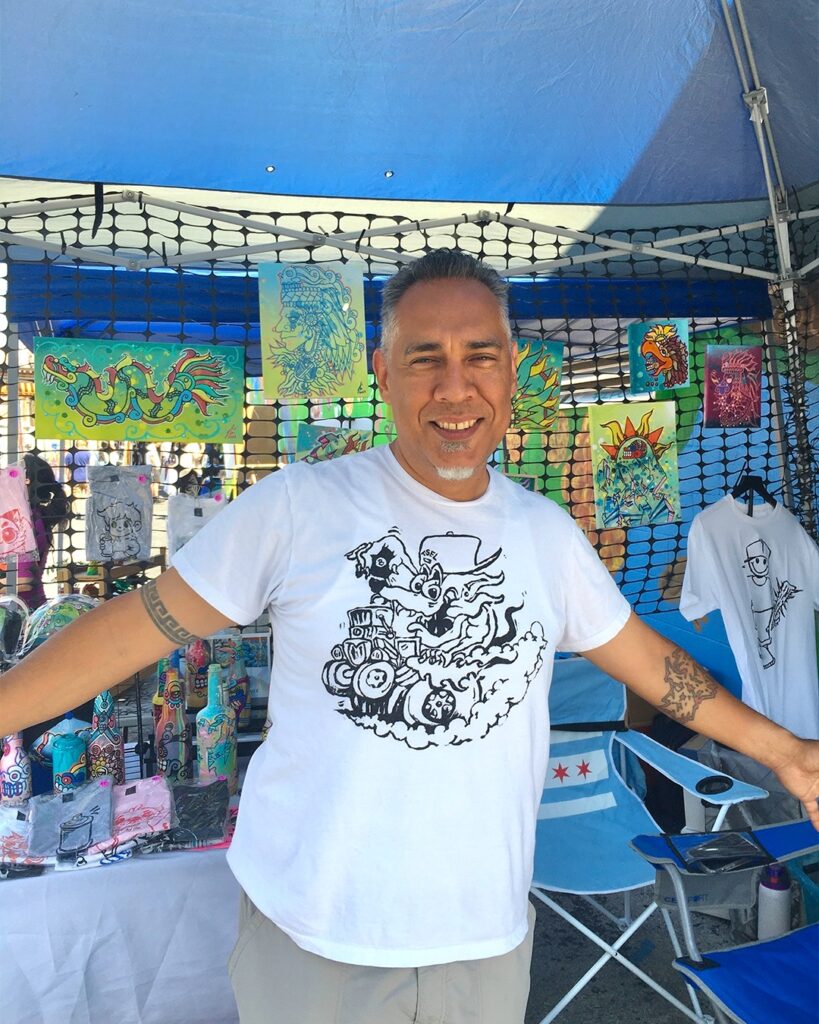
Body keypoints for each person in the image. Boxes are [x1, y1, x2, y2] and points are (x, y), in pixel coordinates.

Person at [1, 251, 818, 1024]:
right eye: (425, 358)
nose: (455, 387)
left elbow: (652, 664)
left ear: (512, 370)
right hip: (316, 934)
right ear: (383, 373)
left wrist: (782, 752)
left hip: (484, 938)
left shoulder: (545, 533)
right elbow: (137, 627)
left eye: (480, 356)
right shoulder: (298, 506)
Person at [15, 453, 70, 611]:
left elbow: (23, 580)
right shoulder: (33, 516)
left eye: (12, 474)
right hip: (30, 607)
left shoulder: (24, 522)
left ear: (27, 480)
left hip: (21, 612)